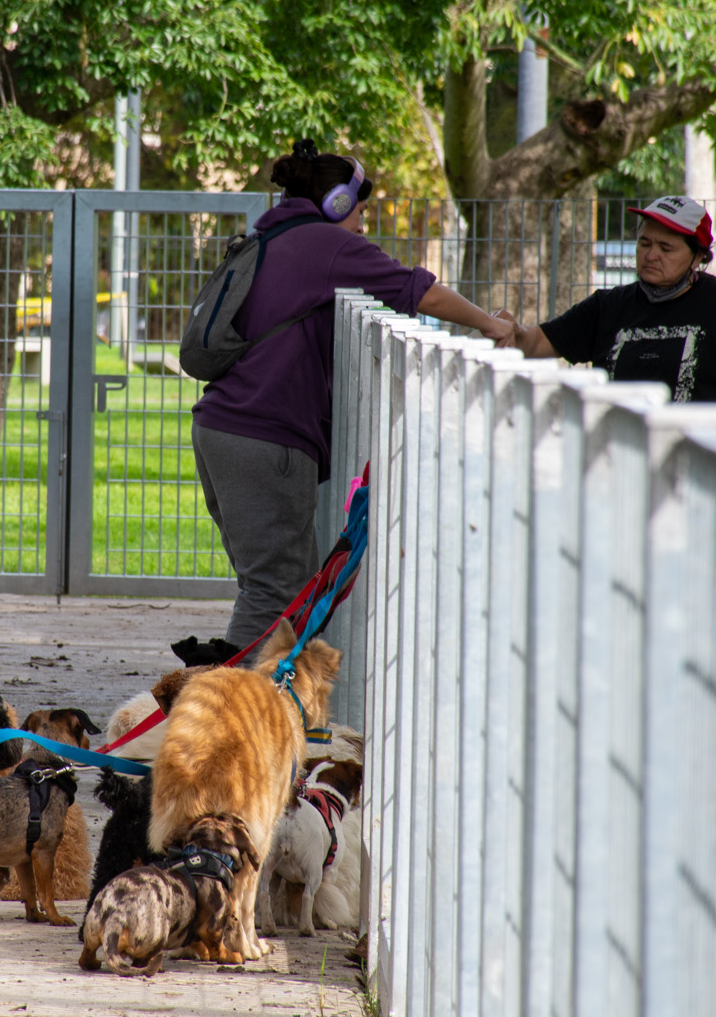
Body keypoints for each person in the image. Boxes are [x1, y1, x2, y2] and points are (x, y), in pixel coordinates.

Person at [191, 140, 514, 647]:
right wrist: (487, 325)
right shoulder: (327, 245)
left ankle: (251, 709)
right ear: (337, 204)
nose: (364, 224)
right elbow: (419, 291)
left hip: (222, 430)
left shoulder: (272, 238)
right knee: (275, 592)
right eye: (361, 210)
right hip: (265, 437)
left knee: (270, 586)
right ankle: (229, 715)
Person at [493, 194, 716, 453]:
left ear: (698, 257)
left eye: (665, 248)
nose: (651, 255)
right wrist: (513, 330)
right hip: (620, 463)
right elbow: (534, 343)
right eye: (644, 243)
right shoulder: (607, 306)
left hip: (705, 469)